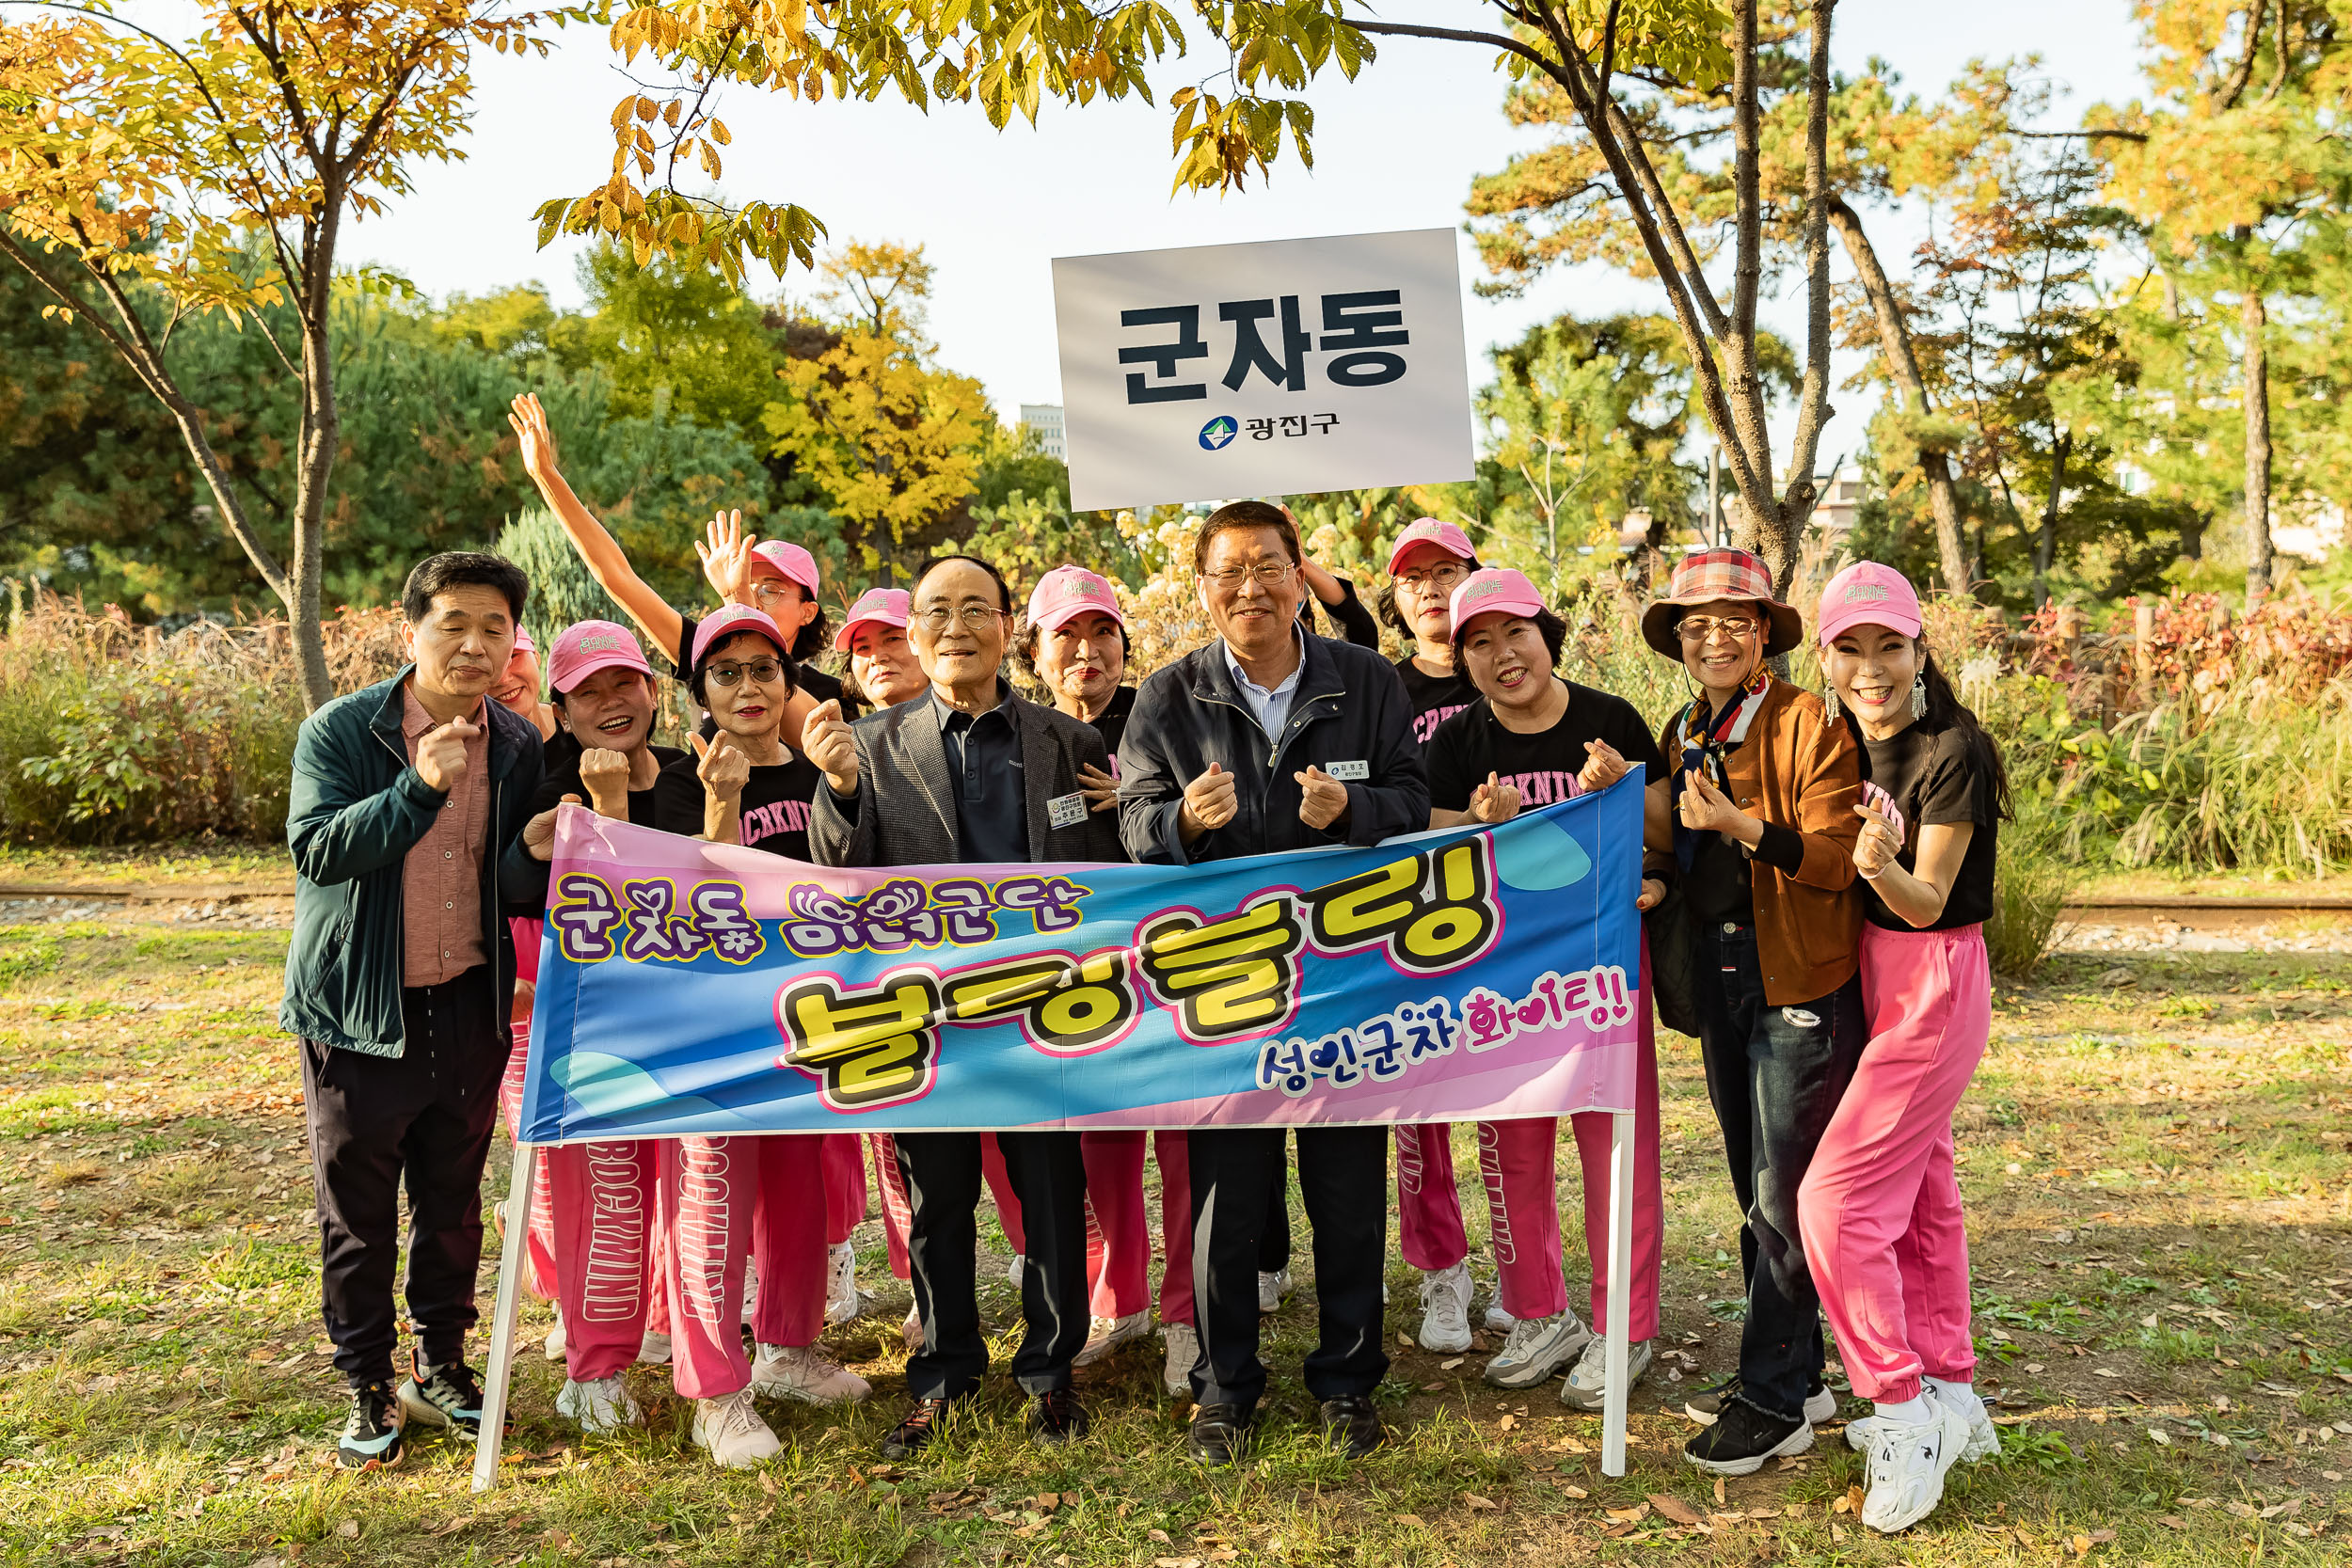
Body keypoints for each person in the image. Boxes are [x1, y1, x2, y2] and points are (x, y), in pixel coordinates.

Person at [1117, 499, 1428, 1465]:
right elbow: (1131, 821)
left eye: (1266, 565)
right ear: (1201, 588)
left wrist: (1354, 808)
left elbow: (1414, 800)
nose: (1248, 586)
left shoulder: (1367, 681)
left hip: (1345, 980)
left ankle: (1347, 1382)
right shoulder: (1167, 696)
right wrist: (1185, 827)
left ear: (1301, 572)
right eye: (1226, 571)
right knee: (1226, 1199)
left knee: (1346, 1190)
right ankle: (1223, 1391)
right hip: (1227, 986)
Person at [808, 555, 1122, 1458]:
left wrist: (1131, 814)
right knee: (937, 1202)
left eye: (975, 608)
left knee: (1052, 1197)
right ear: (913, 634)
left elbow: (1109, 878)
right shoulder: (869, 744)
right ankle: (944, 1372)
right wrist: (834, 793)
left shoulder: (1070, 743)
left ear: (1006, 626)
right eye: (936, 611)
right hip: (923, 1019)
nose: (955, 626)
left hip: (1043, 1009)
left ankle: (1050, 1373)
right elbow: (837, 882)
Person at [281, 551, 556, 1470]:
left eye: (495, 629)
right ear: (413, 633)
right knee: (358, 1215)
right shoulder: (342, 732)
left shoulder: (517, 745)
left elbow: (508, 886)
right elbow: (319, 850)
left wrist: (532, 848)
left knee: (450, 1207)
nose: (476, 645)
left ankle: (443, 1362)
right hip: (361, 1014)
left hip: (468, 1009)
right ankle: (367, 1377)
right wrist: (417, 786)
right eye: (454, 625)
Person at [1638, 547, 1867, 1476]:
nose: (1712, 636)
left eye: (1732, 620)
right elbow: (1678, 853)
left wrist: (1738, 823)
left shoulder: (1808, 719)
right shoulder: (1684, 725)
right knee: (1751, 1183)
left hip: (1799, 975)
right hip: (1722, 966)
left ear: (1764, 630)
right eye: (1694, 625)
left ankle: (1770, 1397)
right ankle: (1798, 1369)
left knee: (1784, 1191)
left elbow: (1832, 855)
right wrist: (1647, 837)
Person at [1419, 569, 1669, 1407]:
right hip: (1505, 979)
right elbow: (1415, 837)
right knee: (1513, 1148)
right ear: (1464, 662)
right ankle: (1538, 1310)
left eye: (1514, 633)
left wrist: (1622, 789)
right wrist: (1470, 823)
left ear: (1546, 635)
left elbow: (1672, 827)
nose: (1502, 655)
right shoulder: (1456, 743)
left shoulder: (1610, 720)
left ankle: (1622, 1326)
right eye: (1479, 643)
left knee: (1614, 1151)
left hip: (1602, 973)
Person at [1798, 562, 2008, 1531]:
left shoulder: (1950, 749)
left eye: (1890, 645)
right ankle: (1950, 1384)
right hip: (1878, 974)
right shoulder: (1842, 740)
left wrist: (1878, 865)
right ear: (1826, 654)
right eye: (1852, 647)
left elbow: (1926, 900)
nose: (1872, 666)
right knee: (1921, 1185)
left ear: (1921, 647)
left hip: (1931, 974)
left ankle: (1898, 1405)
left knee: (1834, 1200)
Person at [645, 605, 873, 1466]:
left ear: (790, 679)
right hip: (714, 1029)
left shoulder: (824, 768)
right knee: (712, 1194)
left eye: (763, 669)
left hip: (811, 1021)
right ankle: (717, 1391)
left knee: (799, 1190)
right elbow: (690, 903)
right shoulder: (679, 777)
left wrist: (845, 787)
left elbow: (862, 881)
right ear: (699, 691)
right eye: (726, 672)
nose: (747, 686)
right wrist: (719, 802)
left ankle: (788, 1348)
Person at [501, 621, 687, 1433]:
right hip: (592, 1033)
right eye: (589, 693)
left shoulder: (692, 775)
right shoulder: (541, 790)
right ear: (562, 709)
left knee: (688, 1196)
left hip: (689, 1025)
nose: (613, 703)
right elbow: (507, 889)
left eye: (626, 684)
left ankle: (670, 1333)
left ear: (654, 690)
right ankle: (594, 1368)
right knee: (607, 1200)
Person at [1015, 564, 1197, 1390]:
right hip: (1077, 975)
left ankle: (1187, 1312)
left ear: (1126, 642)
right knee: (1102, 1143)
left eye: (1102, 633)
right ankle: (1117, 1297)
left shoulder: (1165, 716)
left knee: (1186, 1143)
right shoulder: (1021, 734)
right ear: (1036, 652)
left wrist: (1134, 804)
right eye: (1067, 636)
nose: (1086, 652)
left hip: (1175, 963)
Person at [506, 393, 853, 735]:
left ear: (807, 611)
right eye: (748, 584)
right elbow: (617, 576)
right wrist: (546, 475)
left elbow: (811, 736)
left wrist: (742, 607)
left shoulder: (832, 694)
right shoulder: (704, 651)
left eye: (771, 589)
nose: (755, 595)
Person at [1369, 517, 1487, 1354]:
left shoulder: (1515, 667)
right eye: (1416, 578)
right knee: (1419, 1113)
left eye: (1449, 572)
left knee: (1513, 1110)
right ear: (1396, 599)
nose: (1434, 589)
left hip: (1513, 925)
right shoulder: (1381, 690)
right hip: (1411, 923)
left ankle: (1529, 1279)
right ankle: (1442, 1271)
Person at [837, 587, 928, 710]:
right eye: (863, 647)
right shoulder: (849, 729)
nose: (877, 658)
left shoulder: (961, 726)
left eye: (892, 639)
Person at [493, 627, 560, 743]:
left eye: (513, 656)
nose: (503, 679)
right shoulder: (474, 753)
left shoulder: (579, 722)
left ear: (536, 656)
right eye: (487, 666)